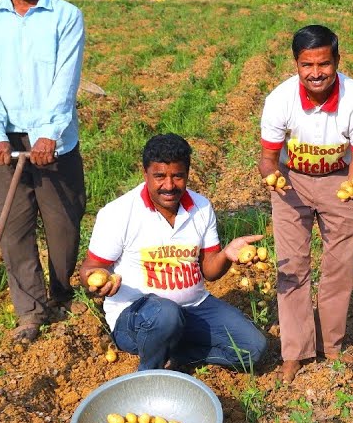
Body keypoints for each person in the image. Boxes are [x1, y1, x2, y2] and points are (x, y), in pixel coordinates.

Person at [0, 0, 87, 343]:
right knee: (15, 228)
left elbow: (65, 80)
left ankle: (60, 291)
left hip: (53, 138)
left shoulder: (66, 16)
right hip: (8, 136)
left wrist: (47, 134)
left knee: (63, 225)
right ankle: (30, 311)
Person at [82, 134, 268, 372]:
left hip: (195, 307)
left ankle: (177, 356)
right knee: (166, 313)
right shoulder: (119, 213)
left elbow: (209, 271)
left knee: (252, 349)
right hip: (137, 318)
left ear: (187, 174)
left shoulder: (201, 207)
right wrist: (96, 281)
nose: (169, 186)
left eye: (177, 176)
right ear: (145, 173)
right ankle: (150, 374)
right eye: (159, 176)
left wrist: (226, 255)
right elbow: (90, 268)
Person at [259, 24, 353, 383]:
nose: (316, 73)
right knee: (291, 265)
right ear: (296, 64)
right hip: (290, 181)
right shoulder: (280, 99)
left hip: (340, 181)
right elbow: (267, 157)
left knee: (339, 264)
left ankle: (331, 345)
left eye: (323, 64)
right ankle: (295, 351)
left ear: (337, 61)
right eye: (307, 65)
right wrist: (270, 177)